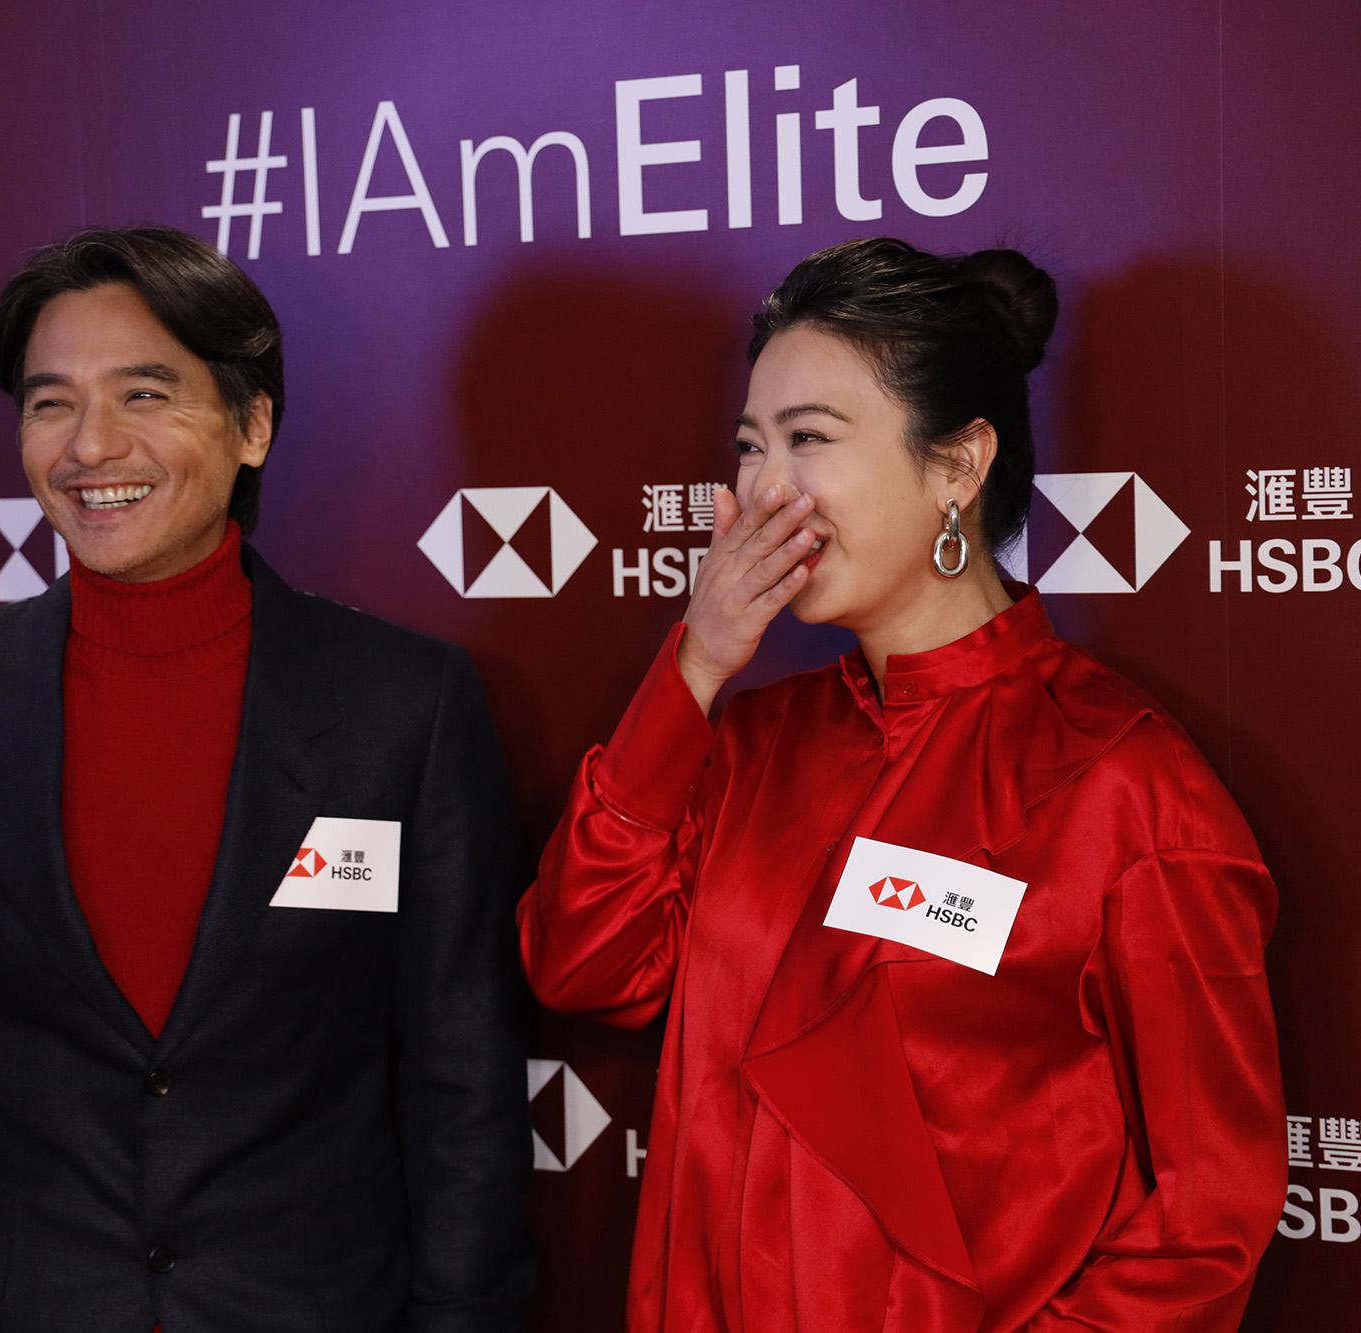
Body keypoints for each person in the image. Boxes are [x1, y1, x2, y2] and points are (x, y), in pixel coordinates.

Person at [519, 238, 1285, 1331]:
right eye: (749, 446)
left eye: (809, 439)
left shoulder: (1123, 785)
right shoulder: (755, 740)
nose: (764, 489)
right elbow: (583, 961)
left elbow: (1206, 1218)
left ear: (957, 465)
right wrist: (692, 667)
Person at [0, 226, 532, 1332]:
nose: (91, 445)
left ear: (252, 424)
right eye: (50, 403)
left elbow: (463, 1085)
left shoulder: (404, 709)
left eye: (144, 394)